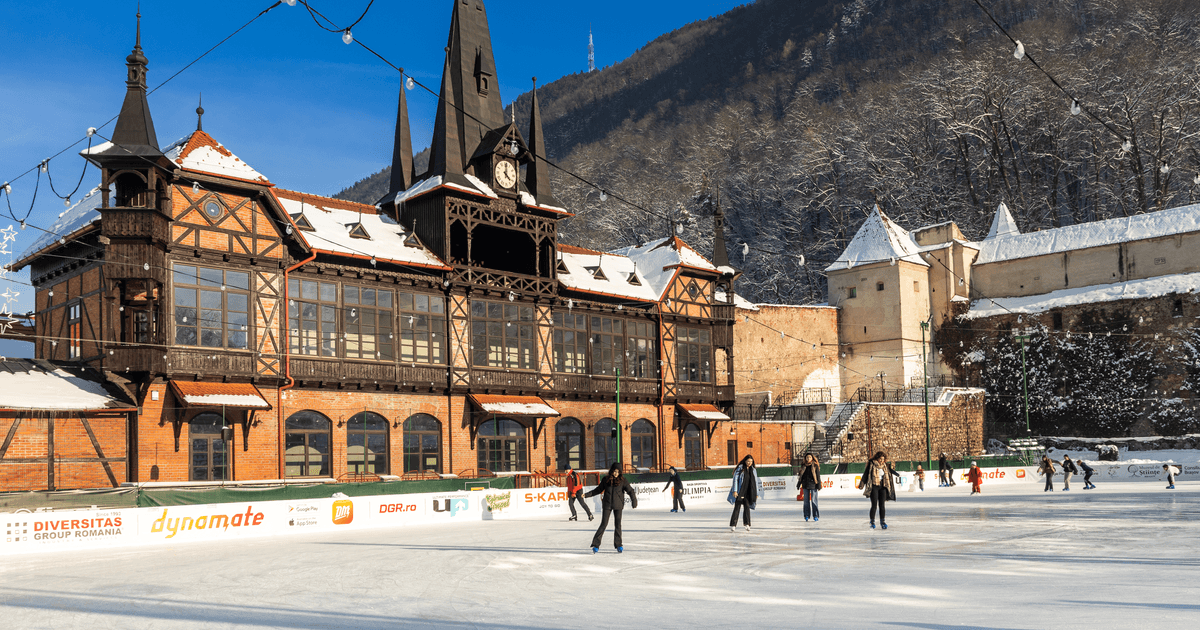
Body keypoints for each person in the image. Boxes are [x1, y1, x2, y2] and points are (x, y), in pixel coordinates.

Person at [585, 463, 638, 553]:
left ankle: (618, 544)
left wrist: (634, 501)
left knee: (618, 525)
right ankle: (596, 544)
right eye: (614, 471)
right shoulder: (606, 480)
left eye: (618, 472)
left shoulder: (623, 481)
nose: (616, 473)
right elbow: (598, 490)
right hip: (607, 505)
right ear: (611, 471)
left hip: (618, 505)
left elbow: (630, 491)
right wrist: (587, 495)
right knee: (603, 524)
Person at [858, 451, 900, 529]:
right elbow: (865, 474)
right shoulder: (871, 465)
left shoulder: (885, 466)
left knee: (882, 505)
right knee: (874, 505)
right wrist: (862, 483)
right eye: (880, 459)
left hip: (883, 486)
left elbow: (890, 470)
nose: (881, 461)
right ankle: (872, 521)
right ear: (877, 458)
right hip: (874, 486)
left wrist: (896, 474)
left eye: (883, 459)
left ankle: (882, 521)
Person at [727, 454, 761, 532]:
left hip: (749, 491)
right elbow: (735, 479)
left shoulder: (753, 470)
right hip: (740, 491)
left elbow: (756, 482)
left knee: (747, 508)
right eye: (748, 461)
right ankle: (733, 524)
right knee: (737, 507)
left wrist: (756, 493)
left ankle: (747, 524)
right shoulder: (740, 468)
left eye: (751, 462)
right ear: (745, 461)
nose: (749, 463)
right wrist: (735, 491)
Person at [796, 453, 822, 521]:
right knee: (806, 502)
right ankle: (806, 515)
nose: (808, 459)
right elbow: (801, 476)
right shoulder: (803, 466)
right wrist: (799, 484)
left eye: (810, 457)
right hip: (805, 485)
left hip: (813, 484)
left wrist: (819, 485)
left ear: (812, 458)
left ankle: (815, 515)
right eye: (807, 457)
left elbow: (818, 476)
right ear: (805, 458)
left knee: (814, 501)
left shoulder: (815, 465)